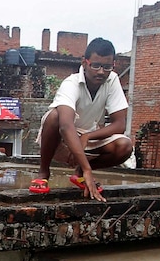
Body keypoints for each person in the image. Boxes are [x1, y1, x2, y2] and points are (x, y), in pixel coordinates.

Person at [29, 37, 133, 202]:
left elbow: (119, 125)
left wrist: (88, 137)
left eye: (107, 67)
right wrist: (88, 170)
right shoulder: (71, 83)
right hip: (60, 140)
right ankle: (43, 172)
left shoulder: (112, 80)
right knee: (54, 116)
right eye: (96, 65)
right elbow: (65, 126)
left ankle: (78, 174)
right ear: (85, 63)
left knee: (125, 146)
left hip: (87, 139)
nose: (101, 72)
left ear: (113, 65)